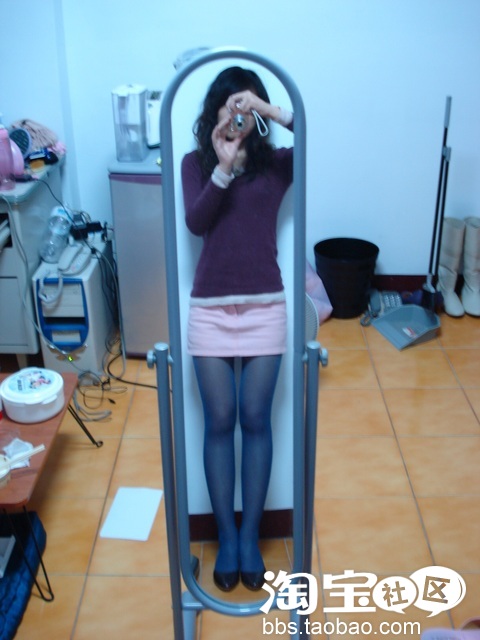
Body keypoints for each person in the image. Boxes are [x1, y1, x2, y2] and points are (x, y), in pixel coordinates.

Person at [181, 66, 294, 592]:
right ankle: (226, 537)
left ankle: (250, 538)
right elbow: (196, 222)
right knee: (220, 420)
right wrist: (223, 167)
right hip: (209, 310)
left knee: (255, 418)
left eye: (245, 103)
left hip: (265, 307)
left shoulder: (278, 165)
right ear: (215, 110)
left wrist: (270, 109)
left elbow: (316, 135)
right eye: (229, 102)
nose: (237, 111)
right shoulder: (195, 164)